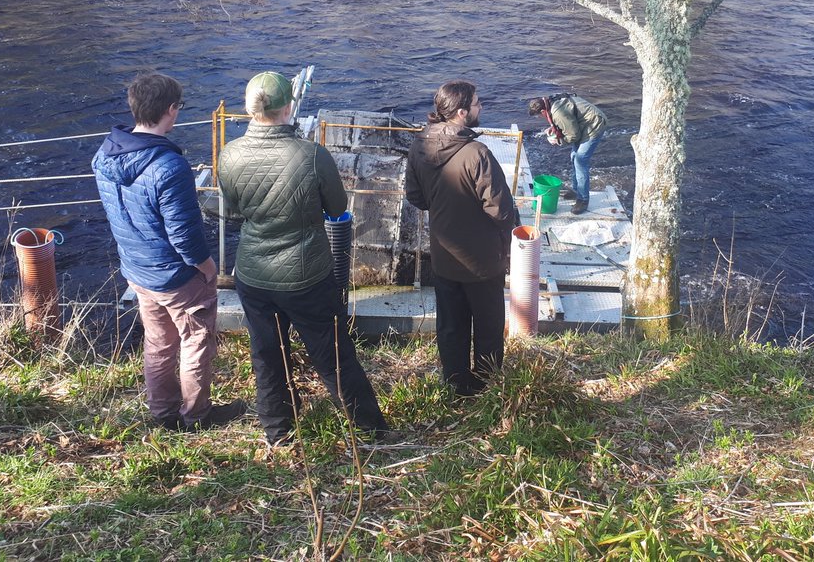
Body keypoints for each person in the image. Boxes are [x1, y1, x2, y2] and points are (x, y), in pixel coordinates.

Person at [217, 71, 389, 445]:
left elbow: (232, 213)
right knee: (333, 354)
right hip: (306, 273)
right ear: (289, 107)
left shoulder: (228, 155)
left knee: (266, 353)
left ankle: (278, 432)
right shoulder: (312, 156)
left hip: (253, 274)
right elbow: (337, 208)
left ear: (248, 109)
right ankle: (369, 429)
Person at [93, 73, 240, 431]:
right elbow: (185, 236)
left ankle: (163, 414)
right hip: (176, 277)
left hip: (138, 270)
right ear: (171, 110)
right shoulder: (169, 166)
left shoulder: (104, 155)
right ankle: (196, 416)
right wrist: (208, 268)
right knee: (195, 341)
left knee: (158, 343)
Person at [406, 80, 519, 396]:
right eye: (477, 103)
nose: (481, 107)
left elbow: (416, 197)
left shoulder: (419, 146)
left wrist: (445, 207)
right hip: (483, 262)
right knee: (487, 328)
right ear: (461, 112)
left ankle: (455, 385)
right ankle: (486, 387)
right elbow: (500, 210)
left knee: (451, 327)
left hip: (444, 257)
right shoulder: (477, 153)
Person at [527, 93, 608, 214]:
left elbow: (574, 135)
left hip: (594, 126)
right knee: (573, 157)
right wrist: (554, 128)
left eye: (539, 115)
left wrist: (558, 141)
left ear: (543, 110)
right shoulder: (551, 103)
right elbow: (568, 121)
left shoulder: (558, 112)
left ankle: (583, 200)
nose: (540, 117)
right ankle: (576, 191)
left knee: (580, 161)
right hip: (584, 124)